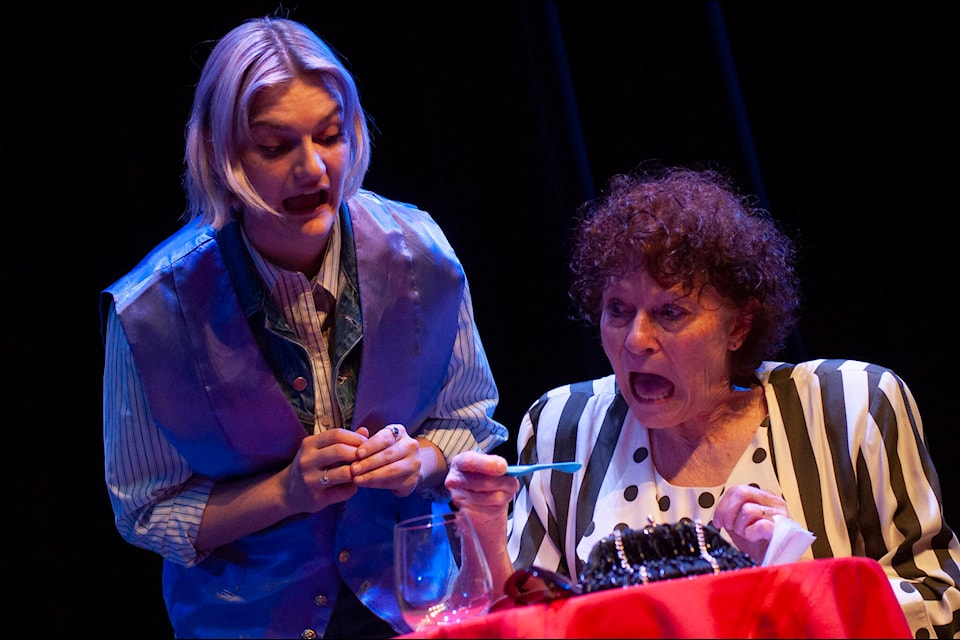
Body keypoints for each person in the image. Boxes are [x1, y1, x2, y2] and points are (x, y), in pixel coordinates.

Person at [99, 14, 508, 639]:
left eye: (330, 136)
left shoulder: (420, 255)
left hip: (414, 610)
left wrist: (420, 462)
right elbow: (144, 511)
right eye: (275, 146)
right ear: (221, 153)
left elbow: (470, 424)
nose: (314, 169)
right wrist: (284, 494)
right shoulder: (152, 313)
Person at [445, 163, 960, 638]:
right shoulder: (562, 423)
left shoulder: (851, 405)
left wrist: (793, 576)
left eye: (671, 312)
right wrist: (486, 532)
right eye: (618, 309)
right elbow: (521, 625)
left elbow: (940, 605)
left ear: (738, 325)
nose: (635, 340)